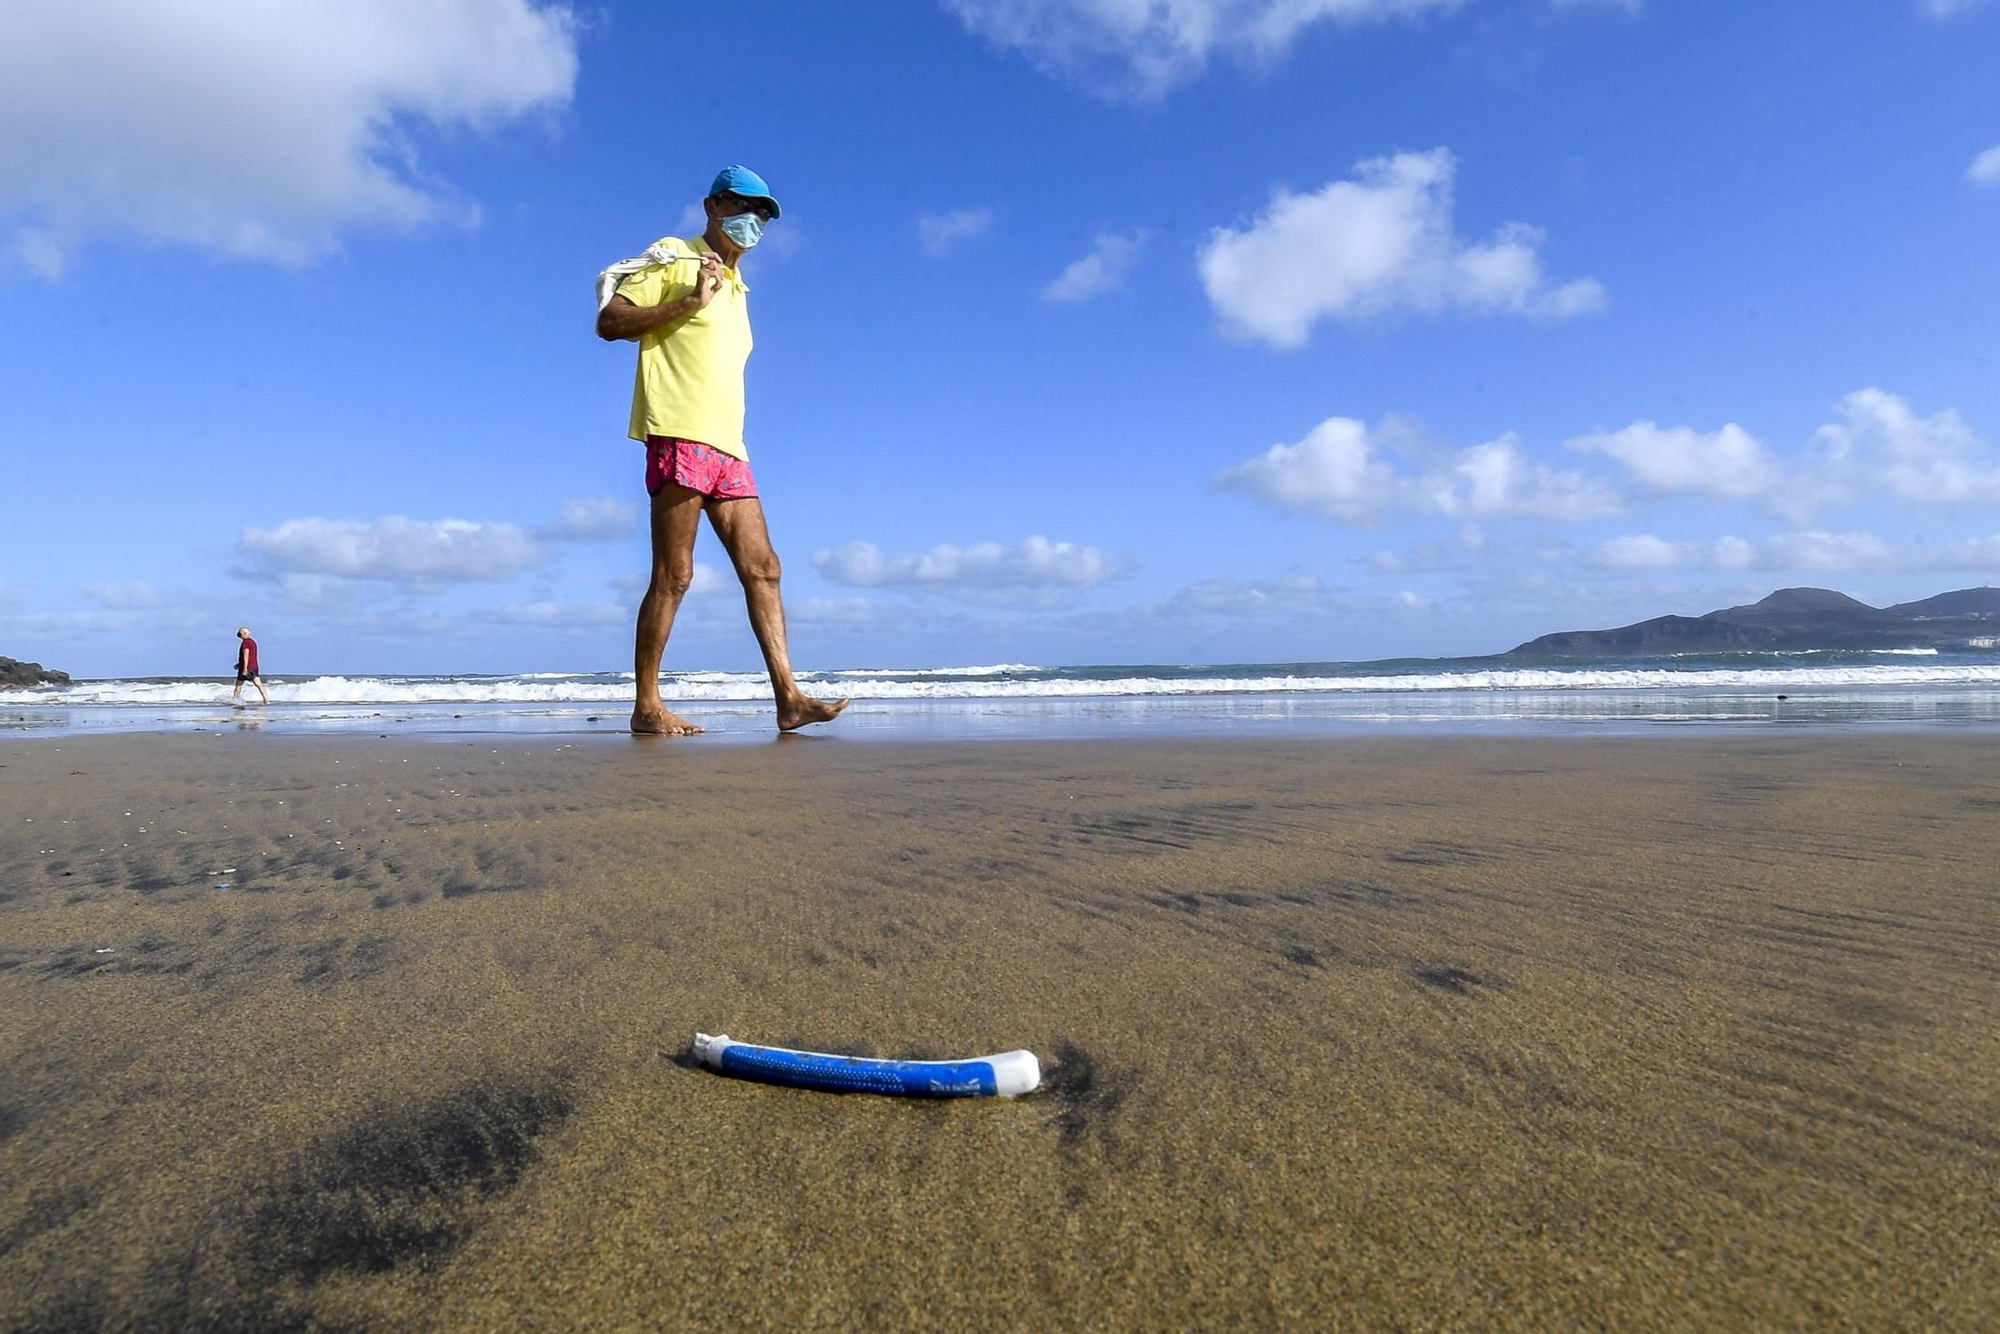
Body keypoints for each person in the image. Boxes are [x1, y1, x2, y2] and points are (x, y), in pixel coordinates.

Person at [597, 165, 848, 736]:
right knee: (675, 574)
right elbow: (610, 322)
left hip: (730, 447)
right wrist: (686, 302)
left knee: (765, 568)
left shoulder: (739, 288)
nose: (753, 220)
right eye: (742, 206)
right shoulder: (674, 256)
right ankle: (647, 706)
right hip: (680, 433)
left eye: (763, 214)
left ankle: (789, 698)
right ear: (711, 206)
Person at [232, 626, 269, 705]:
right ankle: (266, 699)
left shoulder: (246, 642)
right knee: (258, 684)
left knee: (238, 685)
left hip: (247, 667)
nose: (239, 635)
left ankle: (235, 700)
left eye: (240, 633)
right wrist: (239, 664)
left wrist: (244, 668)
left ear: (245, 633)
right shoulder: (252, 642)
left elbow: (246, 654)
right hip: (254, 666)